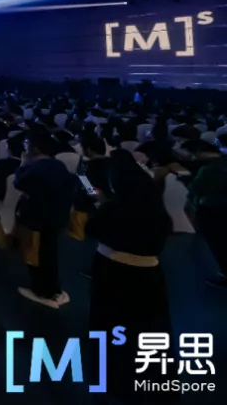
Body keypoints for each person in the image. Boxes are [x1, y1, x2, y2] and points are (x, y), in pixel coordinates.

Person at [87, 151, 174, 402]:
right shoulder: (157, 210)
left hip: (114, 271)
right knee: (149, 329)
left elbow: (93, 229)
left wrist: (101, 204)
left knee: (112, 325)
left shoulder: (115, 209)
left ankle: (115, 380)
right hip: (150, 274)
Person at [14, 132, 77, 308]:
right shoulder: (58, 164)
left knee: (36, 255)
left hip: (38, 219)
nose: (24, 147)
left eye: (26, 144)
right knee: (50, 254)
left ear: (35, 148)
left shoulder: (35, 167)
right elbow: (79, 183)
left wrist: (23, 162)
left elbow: (18, 183)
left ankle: (42, 292)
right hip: (57, 217)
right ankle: (54, 290)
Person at [186, 137, 227, 289]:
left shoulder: (210, 169)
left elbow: (197, 188)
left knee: (220, 244)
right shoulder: (223, 162)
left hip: (214, 210)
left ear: (198, 152)